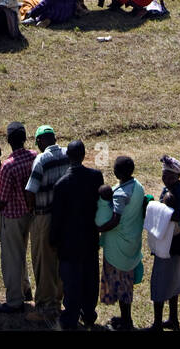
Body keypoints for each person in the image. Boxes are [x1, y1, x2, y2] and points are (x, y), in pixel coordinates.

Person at [50, 139, 104, 330]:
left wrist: (53, 240)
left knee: (71, 280)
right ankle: (89, 313)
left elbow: (56, 217)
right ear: (83, 155)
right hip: (89, 237)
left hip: (69, 241)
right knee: (90, 277)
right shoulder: (96, 176)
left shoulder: (61, 184)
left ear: (67, 157)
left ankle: (70, 317)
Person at [25, 125, 68, 320]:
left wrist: (31, 210)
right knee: (59, 260)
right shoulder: (68, 154)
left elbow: (30, 191)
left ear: (41, 142)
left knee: (43, 262)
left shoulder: (41, 160)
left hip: (44, 216)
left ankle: (44, 306)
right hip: (63, 218)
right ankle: (57, 300)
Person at [97, 155, 146, 330]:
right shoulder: (137, 186)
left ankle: (127, 322)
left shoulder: (121, 194)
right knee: (125, 282)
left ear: (118, 172)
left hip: (119, 245)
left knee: (121, 284)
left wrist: (99, 229)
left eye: (115, 168)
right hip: (131, 241)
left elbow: (116, 219)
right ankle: (125, 318)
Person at [0, 122, 35, 313]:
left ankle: (14, 300)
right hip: (30, 214)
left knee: (12, 258)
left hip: (12, 216)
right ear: (25, 138)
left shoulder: (8, 166)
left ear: (8, 140)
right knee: (23, 254)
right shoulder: (34, 157)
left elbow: (1, 199)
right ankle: (26, 290)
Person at [147, 155, 180, 330]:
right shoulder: (170, 188)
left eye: (169, 176)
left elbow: (178, 215)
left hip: (171, 245)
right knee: (171, 283)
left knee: (161, 282)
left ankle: (158, 323)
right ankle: (173, 320)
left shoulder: (179, 191)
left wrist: (158, 209)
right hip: (172, 243)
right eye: (164, 175)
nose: (165, 178)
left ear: (177, 176)